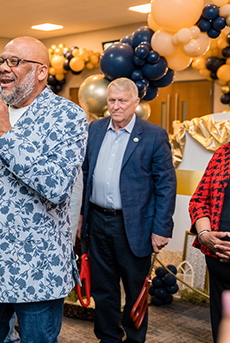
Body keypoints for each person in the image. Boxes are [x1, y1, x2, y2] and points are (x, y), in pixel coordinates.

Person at [0, 36, 87, 343]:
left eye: (14, 61)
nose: (4, 67)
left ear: (41, 71)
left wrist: (5, 130)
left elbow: (55, 186)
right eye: (1, 61)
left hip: (36, 265)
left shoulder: (68, 116)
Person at [78, 77, 177, 343]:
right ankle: (108, 338)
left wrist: (161, 229)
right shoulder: (95, 129)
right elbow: (85, 173)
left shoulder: (154, 136)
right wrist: (79, 216)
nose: (116, 106)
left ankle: (134, 339)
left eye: (122, 101)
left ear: (135, 102)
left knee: (135, 291)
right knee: (103, 289)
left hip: (133, 227)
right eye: (112, 100)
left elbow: (166, 185)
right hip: (97, 222)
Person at [189, 95, 230, 342]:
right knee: (223, 330)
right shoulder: (223, 153)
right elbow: (199, 200)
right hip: (218, 261)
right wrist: (205, 234)